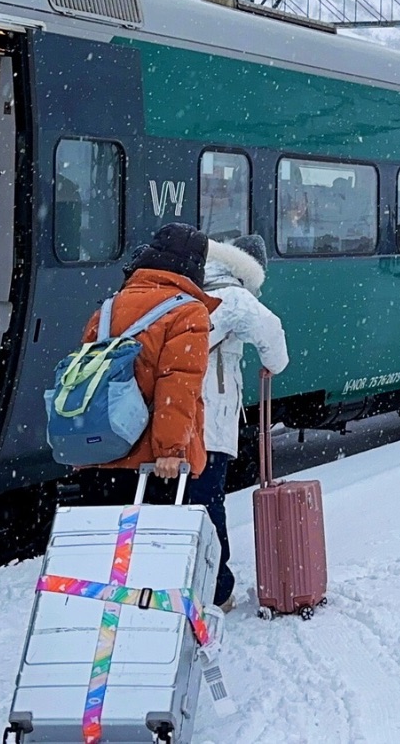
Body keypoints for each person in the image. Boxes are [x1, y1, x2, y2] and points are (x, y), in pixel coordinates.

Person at [76, 223, 220, 500]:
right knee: (150, 542)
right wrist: (170, 450)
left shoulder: (110, 306)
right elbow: (177, 385)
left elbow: (87, 379)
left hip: (101, 449)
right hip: (150, 463)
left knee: (106, 539)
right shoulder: (188, 312)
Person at [193, 234, 290, 610]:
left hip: (167, 413)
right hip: (207, 419)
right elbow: (270, 331)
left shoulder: (187, 286)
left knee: (177, 501)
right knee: (206, 502)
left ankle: (178, 582)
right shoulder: (233, 295)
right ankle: (217, 591)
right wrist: (274, 364)